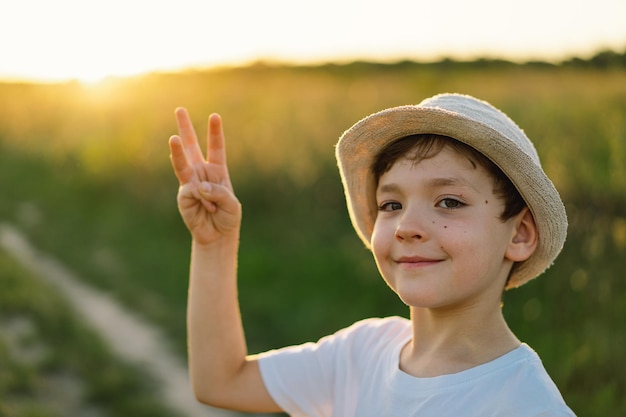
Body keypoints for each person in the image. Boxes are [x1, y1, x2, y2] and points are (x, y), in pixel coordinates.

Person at [168, 93, 576, 416]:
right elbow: (221, 380)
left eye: (449, 202)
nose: (406, 226)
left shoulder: (526, 405)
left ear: (519, 234)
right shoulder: (363, 352)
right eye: (391, 205)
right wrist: (214, 244)